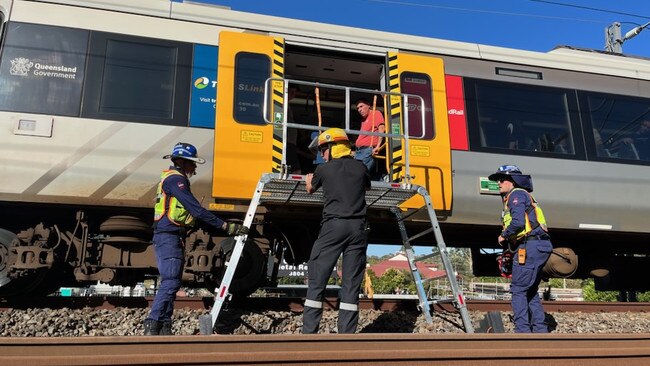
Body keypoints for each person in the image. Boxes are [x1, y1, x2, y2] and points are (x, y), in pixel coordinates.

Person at [144, 142, 247, 335]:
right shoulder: (176, 180)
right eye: (192, 163)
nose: (195, 168)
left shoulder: (173, 178)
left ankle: (164, 326)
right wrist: (225, 226)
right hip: (168, 236)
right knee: (171, 282)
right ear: (182, 162)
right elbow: (196, 210)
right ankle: (153, 323)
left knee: (171, 281)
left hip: (171, 235)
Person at [303, 128, 371, 333]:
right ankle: (346, 335)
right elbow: (366, 187)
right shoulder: (361, 168)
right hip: (358, 229)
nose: (322, 154)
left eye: (323, 149)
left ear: (333, 147)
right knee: (351, 282)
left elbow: (310, 189)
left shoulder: (324, 170)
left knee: (318, 277)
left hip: (334, 227)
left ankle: (309, 333)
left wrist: (308, 179)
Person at [488, 165, 552, 333]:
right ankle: (539, 330)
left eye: (502, 180)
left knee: (518, 289)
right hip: (537, 246)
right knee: (529, 290)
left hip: (530, 246)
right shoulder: (521, 196)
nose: (499, 183)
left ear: (512, 181)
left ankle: (522, 331)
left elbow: (517, 223)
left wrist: (504, 235)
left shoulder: (516, 195)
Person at [354, 98, 385, 173]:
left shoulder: (375, 113)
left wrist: (378, 146)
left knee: (360, 174)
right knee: (356, 173)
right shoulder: (363, 120)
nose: (359, 110)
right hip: (359, 151)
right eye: (358, 108)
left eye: (361, 106)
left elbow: (381, 128)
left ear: (368, 105)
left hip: (368, 150)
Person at [285, 84, 302, 173]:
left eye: (295, 93)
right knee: (297, 171)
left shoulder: (287, 105)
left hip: (290, 142)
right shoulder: (281, 104)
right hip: (287, 142)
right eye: (292, 92)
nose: (293, 95)